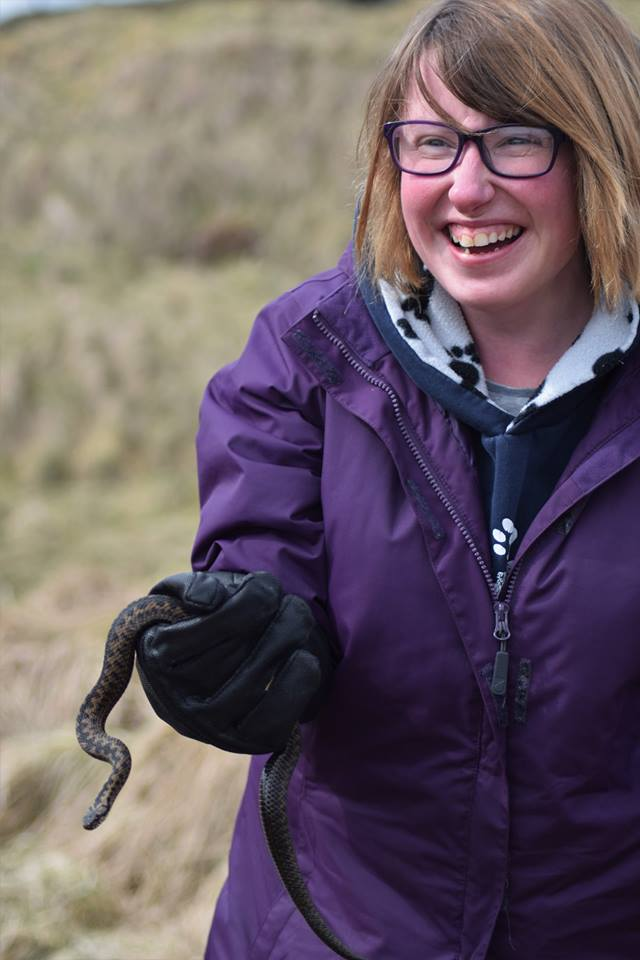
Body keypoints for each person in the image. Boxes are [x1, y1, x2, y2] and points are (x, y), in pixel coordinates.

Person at [136, 0, 640, 957]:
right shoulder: (307, 354)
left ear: (602, 150)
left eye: (517, 140)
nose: (467, 188)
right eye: (431, 143)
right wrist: (235, 655)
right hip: (336, 932)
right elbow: (260, 567)